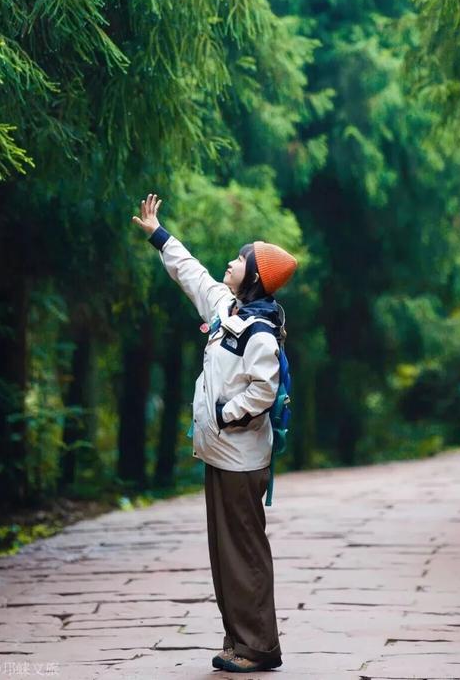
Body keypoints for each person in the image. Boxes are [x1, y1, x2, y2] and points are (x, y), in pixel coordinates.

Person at [132, 193, 297, 674]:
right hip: (222, 455)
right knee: (226, 554)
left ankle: (259, 646)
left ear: (256, 276)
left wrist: (225, 416)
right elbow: (193, 274)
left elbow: (262, 392)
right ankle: (239, 640)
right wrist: (159, 234)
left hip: (241, 459)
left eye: (240, 259)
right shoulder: (230, 310)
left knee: (242, 551)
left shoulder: (260, 331)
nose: (231, 261)